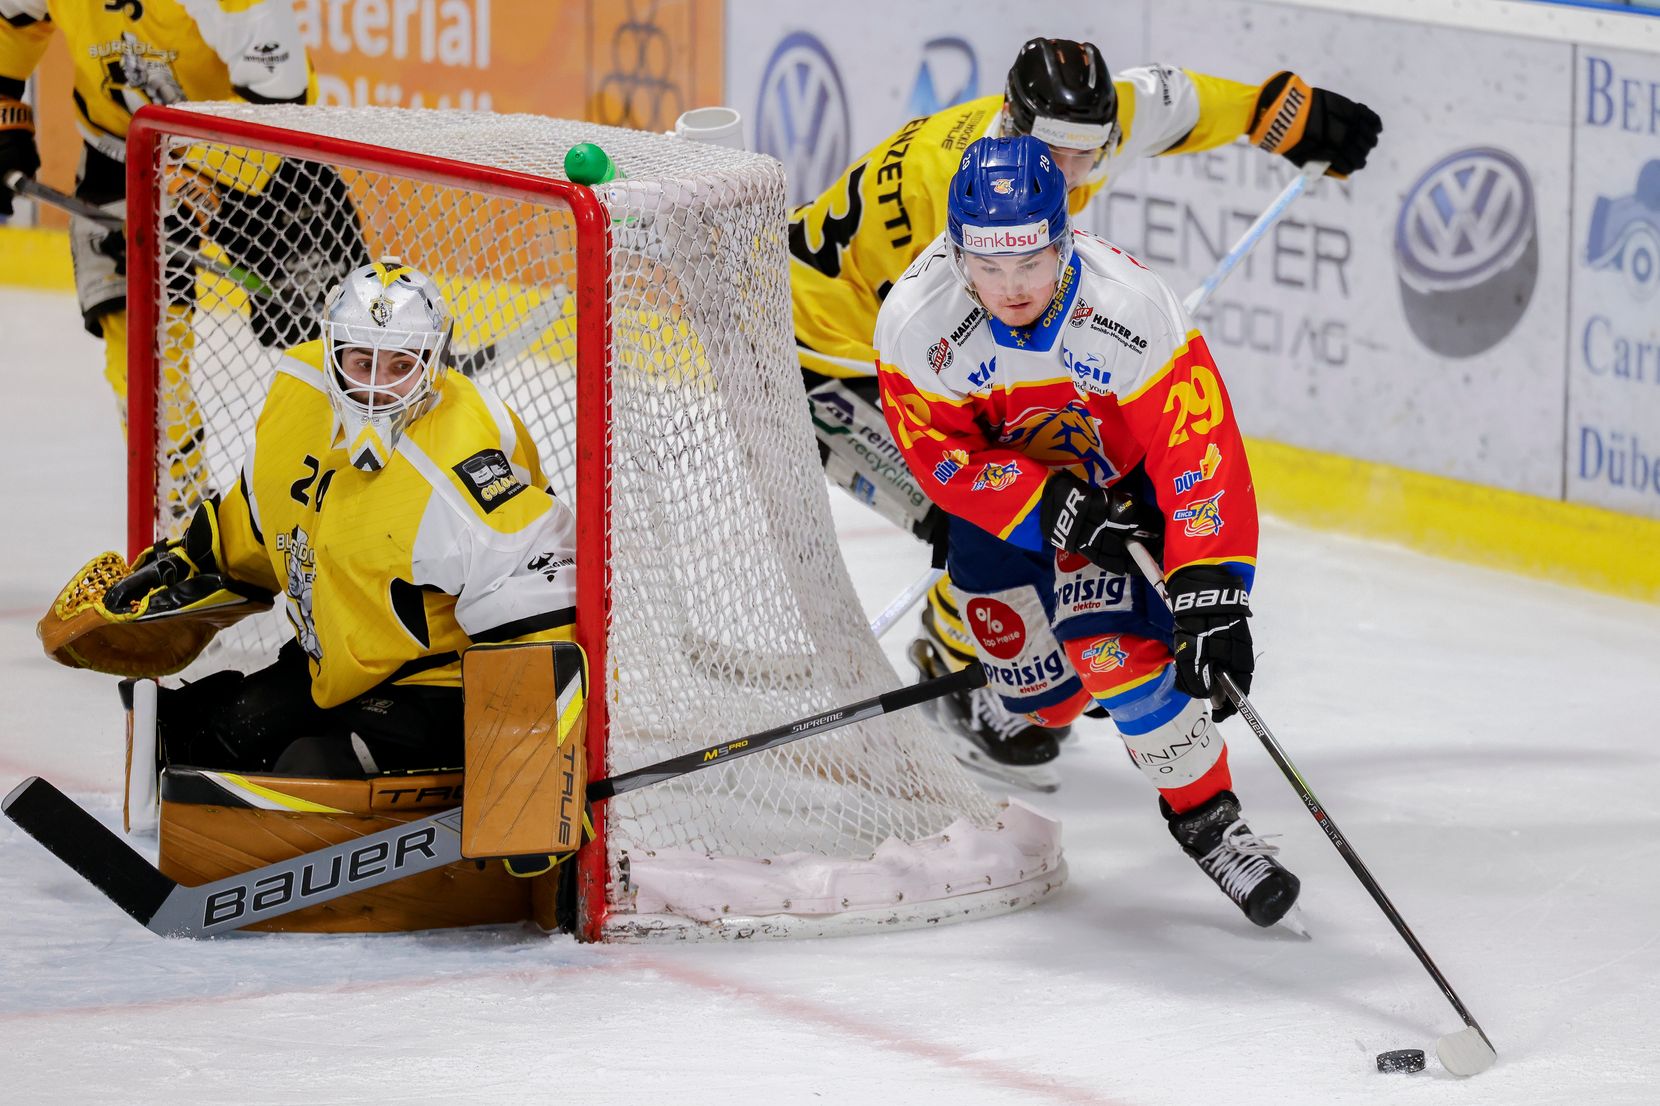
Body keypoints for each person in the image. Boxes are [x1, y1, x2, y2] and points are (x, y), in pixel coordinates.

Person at [794, 36, 1381, 787]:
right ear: (1010, 125)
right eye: (1057, 155)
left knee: (1036, 494)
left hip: (891, 342)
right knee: (974, 509)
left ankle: (1037, 658)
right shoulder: (957, 192)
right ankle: (960, 656)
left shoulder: (1063, 133)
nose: (1070, 174)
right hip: (809, 353)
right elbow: (947, 358)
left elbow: (1176, 102)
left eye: (1088, 153)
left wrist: (1282, 114)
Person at [873, 134, 1298, 927]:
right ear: (957, 251)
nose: (1011, 289)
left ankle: (1211, 823)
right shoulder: (916, 322)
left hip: (1121, 492)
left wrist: (1212, 587)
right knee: (1048, 700)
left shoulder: (1127, 308)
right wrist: (1044, 502)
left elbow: (1194, 444)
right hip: (1006, 511)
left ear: (1064, 238)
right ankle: (1024, 692)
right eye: (988, 268)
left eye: (1030, 264)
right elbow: (936, 454)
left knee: (1116, 659)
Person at [99, 259, 579, 776]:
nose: (375, 388)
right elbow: (259, 520)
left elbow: (541, 595)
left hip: (437, 683)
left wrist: (533, 774)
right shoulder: (299, 396)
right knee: (198, 741)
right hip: (331, 667)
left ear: (433, 364)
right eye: (360, 361)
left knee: (306, 771)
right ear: (332, 352)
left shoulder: (457, 461)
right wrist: (187, 563)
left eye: (400, 366)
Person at [0, 1, 366, 521]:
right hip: (121, 151)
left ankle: (365, 509)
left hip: (255, 154)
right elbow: (11, 23)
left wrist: (201, 177)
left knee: (344, 347)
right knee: (140, 356)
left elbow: (281, 100)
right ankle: (180, 525)